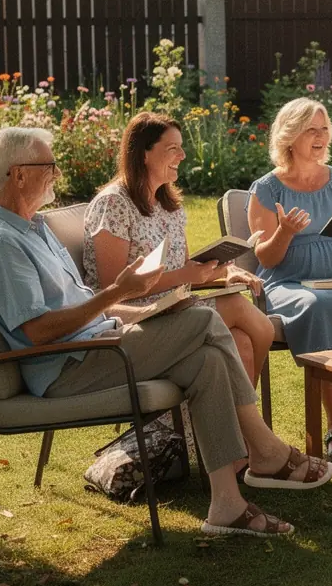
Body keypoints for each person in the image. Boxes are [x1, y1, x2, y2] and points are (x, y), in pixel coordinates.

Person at [0, 127, 332, 539]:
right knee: (205, 320)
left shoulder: (34, 230)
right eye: (48, 165)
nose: (56, 172)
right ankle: (266, 452)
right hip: (66, 369)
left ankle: (226, 504)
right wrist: (119, 293)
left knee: (207, 358)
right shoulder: (0, 243)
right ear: (18, 175)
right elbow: (38, 332)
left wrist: (142, 307)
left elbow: (84, 303)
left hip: (98, 344)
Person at [83, 111, 274, 385]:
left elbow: (184, 268)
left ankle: (233, 424)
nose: (182, 155)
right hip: (134, 317)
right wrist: (187, 276)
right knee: (242, 311)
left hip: (174, 305)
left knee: (243, 342)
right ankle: (242, 424)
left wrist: (222, 272)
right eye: (173, 148)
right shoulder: (113, 204)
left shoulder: (168, 205)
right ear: (144, 154)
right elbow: (113, 289)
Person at [248, 98, 332, 462]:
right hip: (289, 283)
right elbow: (265, 258)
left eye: (325, 129)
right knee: (316, 305)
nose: (321, 136)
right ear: (290, 136)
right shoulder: (267, 188)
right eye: (312, 129)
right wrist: (284, 232)